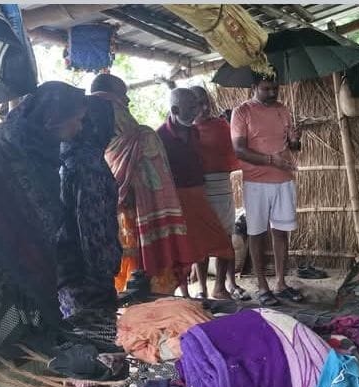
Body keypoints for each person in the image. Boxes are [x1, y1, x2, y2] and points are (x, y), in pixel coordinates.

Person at [0, 81, 87, 387]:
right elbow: (31, 212)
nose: (79, 127)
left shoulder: (39, 146)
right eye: (75, 119)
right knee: (10, 343)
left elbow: (46, 215)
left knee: (47, 330)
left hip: (29, 261)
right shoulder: (11, 146)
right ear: (52, 119)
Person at [92, 74, 195, 296]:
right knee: (135, 260)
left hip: (110, 205)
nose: (127, 101)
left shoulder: (87, 121)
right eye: (123, 95)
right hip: (130, 205)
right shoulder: (134, 130)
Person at [230, 72, 304, 306]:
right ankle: (262, 286)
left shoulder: (283, 109)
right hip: (256, 182)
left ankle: (280, 283)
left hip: (284, 179)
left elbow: (294, 147)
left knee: (281, 232)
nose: (272, 93)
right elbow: (239, 150)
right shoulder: (242, 112)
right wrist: (272, 161)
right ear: (254, 87)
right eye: (266, 89)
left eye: (275, 89)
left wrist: (295, 140)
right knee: (257, 233)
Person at [157, 88, 235, 299]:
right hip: (176, 199)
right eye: (192, 107)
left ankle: (218, 289)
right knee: (183, 248)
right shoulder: (160, 137)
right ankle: (187, 295)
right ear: (175, 110)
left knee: (221, 242)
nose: (198, 110)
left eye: (198, 105)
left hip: (199, 194)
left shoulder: (193, 131)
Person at [56, 96, 121, 330]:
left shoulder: (62, 156)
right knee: (99, 337)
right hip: (88, 275)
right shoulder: (89, 165)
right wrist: (104, 271)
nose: (111, 133)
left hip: (66, 270)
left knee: (76, 332)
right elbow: (93, 225)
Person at [189, 86, 249, 300]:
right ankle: (202, 289)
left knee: (225, 237)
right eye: (198, 103)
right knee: (200, 240)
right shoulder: (184, 131)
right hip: (197, 188)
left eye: (206, 102)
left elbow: (233, 152)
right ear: (188, 105)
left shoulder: (221, 126)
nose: (204, 107)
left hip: (222, 186)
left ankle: (221, 287)